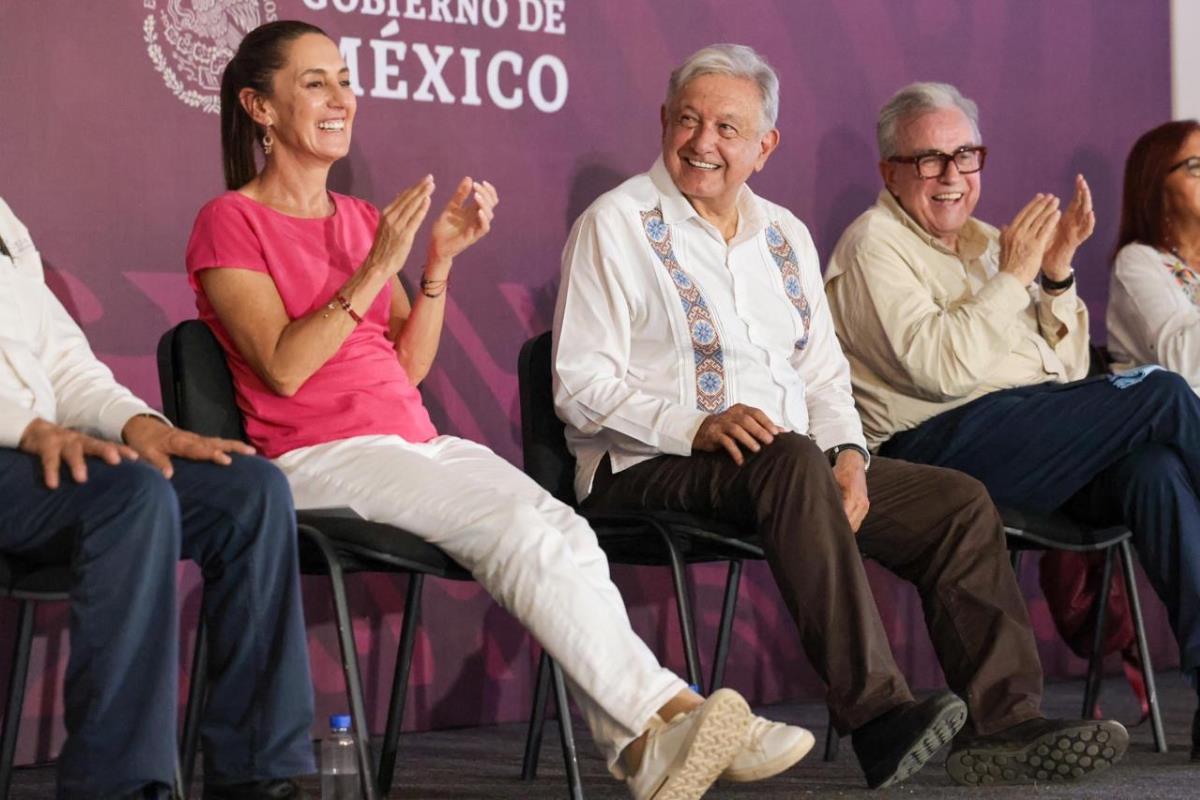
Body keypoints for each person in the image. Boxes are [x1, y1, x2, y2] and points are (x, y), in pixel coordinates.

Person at [186, 21, 812, 800]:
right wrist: (379, 265)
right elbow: (282, 369)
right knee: (519, 532)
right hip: (317, 456)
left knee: (565, 530)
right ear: (259, 106)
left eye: (345, 79)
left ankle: (650, 743)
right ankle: (672, 711)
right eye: (316, 83)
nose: (342, 98)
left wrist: (437, 263)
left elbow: (406, 368)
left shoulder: (355, 217)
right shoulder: (230, 221)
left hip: (408, 443)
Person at [553, 44, 1123, 789]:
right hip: (644, 465)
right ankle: (879, 715)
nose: (703, 142)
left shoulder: (785, 236)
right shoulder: (618, 223)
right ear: (663, 122)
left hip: (782, 466)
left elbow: (821, 374)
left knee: (954, 502)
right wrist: (692, 424)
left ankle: (1005, 724)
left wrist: (850, 457)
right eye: (688, 121)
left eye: (728, 128)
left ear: (765, 146)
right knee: (789, 458)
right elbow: (577, 382)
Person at [826, 80, 1200, 772]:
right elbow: (938, 366)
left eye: (965, 157)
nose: (950, 177)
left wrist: (1053, 276)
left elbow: (1059, 370)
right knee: (1162, 395)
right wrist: (1015, 277)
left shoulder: (991, 242)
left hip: (1027, 436)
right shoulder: (872, 245)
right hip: (933, 448)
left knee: (1157, 472)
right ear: (890, 172)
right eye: (928, 160)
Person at [0, 195, 315, 799]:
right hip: (16, 446)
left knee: (249, 492)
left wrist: (144, 427)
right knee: (133, 499)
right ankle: (119, 786)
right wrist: (26, 427)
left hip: (44, 451)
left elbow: (65, 364)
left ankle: (257, 774)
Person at [1108, 120, 1200, 393]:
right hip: (1179, 423)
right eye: (1196, 166)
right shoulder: (1137, 260)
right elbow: (1181, 362)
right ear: (1159, 183)